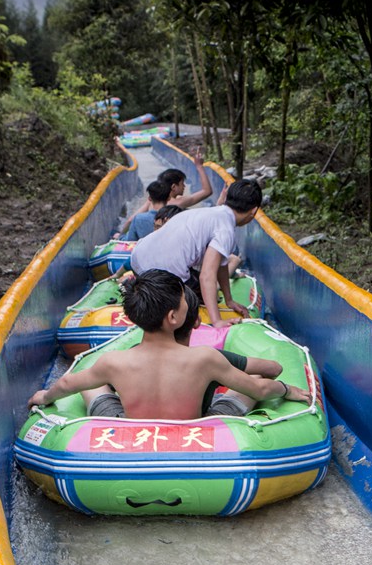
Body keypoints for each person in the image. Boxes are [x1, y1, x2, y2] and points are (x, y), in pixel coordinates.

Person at [27, 270, 308, 421]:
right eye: (185, 301)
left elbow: (65, 385)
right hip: (195, 428)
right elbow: (259, 388)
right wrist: (286, 389)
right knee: (253, 381)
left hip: (131, 429)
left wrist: (45, 397)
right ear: (174, 316)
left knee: (92, 383)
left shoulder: (113, 362)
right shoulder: (204, 359)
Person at [130, 179, 262, 327]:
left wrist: (229, 299)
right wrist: (217, 321)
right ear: (253, 211)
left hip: (137, 260)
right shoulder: (226, 230)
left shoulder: (211, 213)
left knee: (201, 286)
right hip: (160, 275)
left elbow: (221, 264)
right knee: (198, 298)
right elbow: (207, 276)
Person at [116, 150, 213, 236]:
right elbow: (207, 191)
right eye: (182, 184)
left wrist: (120, 236)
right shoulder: (178, 203)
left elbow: (130, 220)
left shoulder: (151, 201)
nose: (184, 186)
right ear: (174, 187)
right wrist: (199, 167)